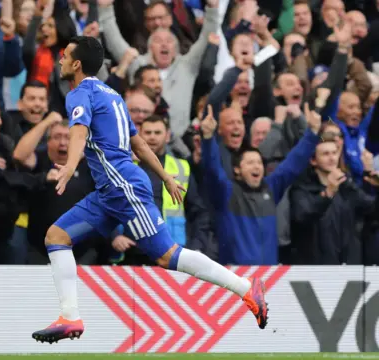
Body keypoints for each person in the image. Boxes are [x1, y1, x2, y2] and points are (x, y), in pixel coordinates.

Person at [32, 36, 268, 344]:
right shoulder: (112, 96)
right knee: (57, 237)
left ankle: (246, 288)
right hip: (109, 192)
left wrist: (69, 164)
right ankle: (70, 317)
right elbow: (138, 143)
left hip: (123, 188)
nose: (60, 61)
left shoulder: (79, 95)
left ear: (76, 64)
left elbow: (78, 134)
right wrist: (166, 176)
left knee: (168, 256)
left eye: (64, 57)